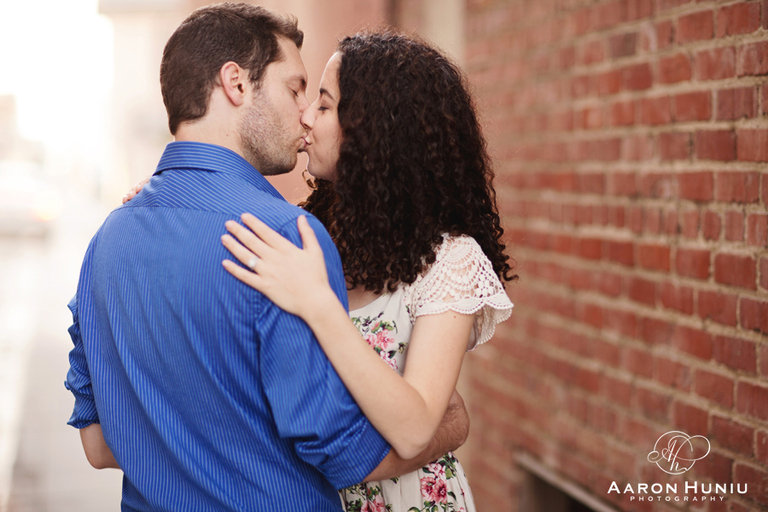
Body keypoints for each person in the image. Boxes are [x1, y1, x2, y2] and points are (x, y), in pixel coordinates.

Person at [65, 5, 468, 511]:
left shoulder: (107, 240)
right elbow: (345, 455)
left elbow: (99, 445)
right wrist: (449, 424)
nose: (303, 113)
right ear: (236, 83)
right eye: (297, 88)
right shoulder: (285, 237)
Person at [220, 31, 516, 512]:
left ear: (373, 129)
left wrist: (318, 304)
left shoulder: (451, 261)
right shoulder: (305, 233)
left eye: (324, 104)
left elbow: (416, 427)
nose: (305, 117)